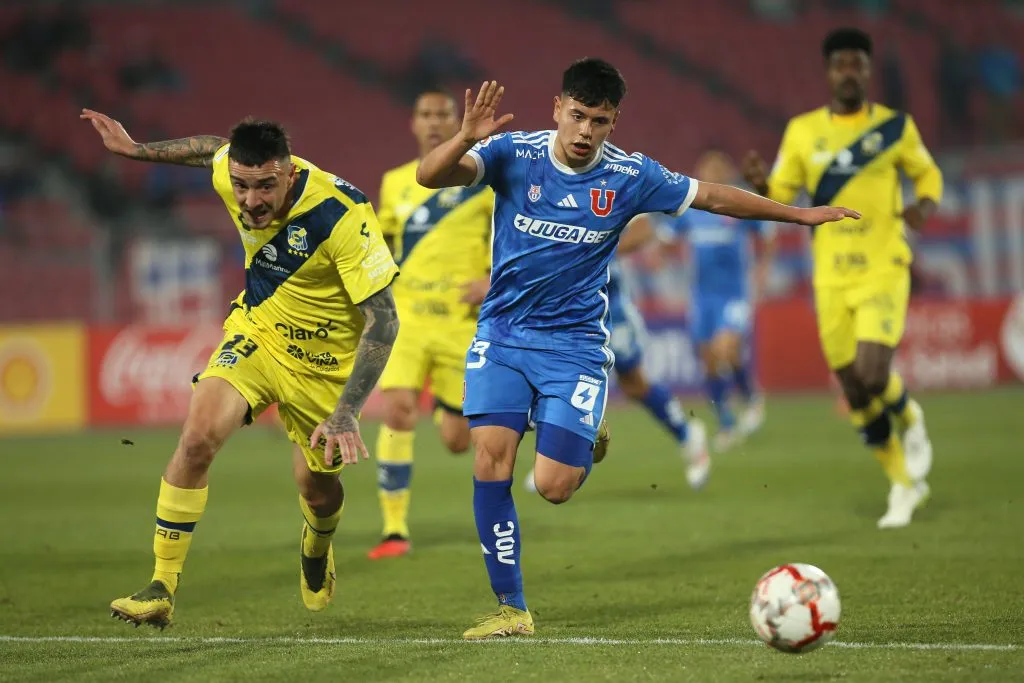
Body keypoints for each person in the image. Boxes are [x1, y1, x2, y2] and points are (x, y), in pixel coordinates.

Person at [416, 58, 859, 639]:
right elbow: (429, 176)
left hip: (574, 346)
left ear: (614, 122)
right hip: (501, 336)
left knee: (553, 487)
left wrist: (796, 215)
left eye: (599, 121)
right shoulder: (513, 153)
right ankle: (511, 609)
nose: (585, 132)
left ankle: (585, 439)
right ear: (557, 108)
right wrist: (463, 140)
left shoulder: (630, 175)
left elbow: (714, 198)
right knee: (490, 460)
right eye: (577, 116)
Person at [80, 109, 399, 627]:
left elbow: (384, 320)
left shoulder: (342, 214)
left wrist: (346, 411)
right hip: (258, 333)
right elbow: (210, 148)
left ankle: (317, 544)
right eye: (242, 187)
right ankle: (161, 585)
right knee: (196, 439)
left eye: (265, 187)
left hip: (323, 364)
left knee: (318, 490)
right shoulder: (234, 171)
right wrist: (134, 149)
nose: (251, 201)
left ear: (289, 174)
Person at [742, 28, 942, 529]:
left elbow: (928, 174)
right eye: (840, 65)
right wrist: (761, 184)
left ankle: (909, 417)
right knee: (853, 389)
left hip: (882, 267)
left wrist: (923, 205)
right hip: (830, 276)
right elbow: (782, 194)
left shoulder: (895, 128)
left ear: (868, 71)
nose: (849, 73)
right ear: (828, 72)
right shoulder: (802, 132)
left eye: (857, 64)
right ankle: (903, 482)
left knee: (873, 374)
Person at [370, 89, 493, 560]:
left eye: (444, 114)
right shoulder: (394, 182)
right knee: (398, 408)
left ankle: (448, 405)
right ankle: (394, 530)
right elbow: (382, 246)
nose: (435, 122)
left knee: (458, 441)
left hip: (461, 323)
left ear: (456, 120)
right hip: (407, 318)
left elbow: (510, 237)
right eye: (426, 114)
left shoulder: (481, 181)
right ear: (413, 123)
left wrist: (492, 278)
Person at [663, 150, 776, 451]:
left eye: (717, 170)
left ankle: (750, 397)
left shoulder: (738, 204)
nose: (711, 174)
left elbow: (767, 231)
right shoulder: (691, 209)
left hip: (734, 294)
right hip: (701, 296)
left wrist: (763, 269)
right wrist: (664, 262)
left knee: (725, 348)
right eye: (706, 170)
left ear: (727, 174)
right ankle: (726, 421)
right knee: (709, 360)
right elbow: (666, 238)